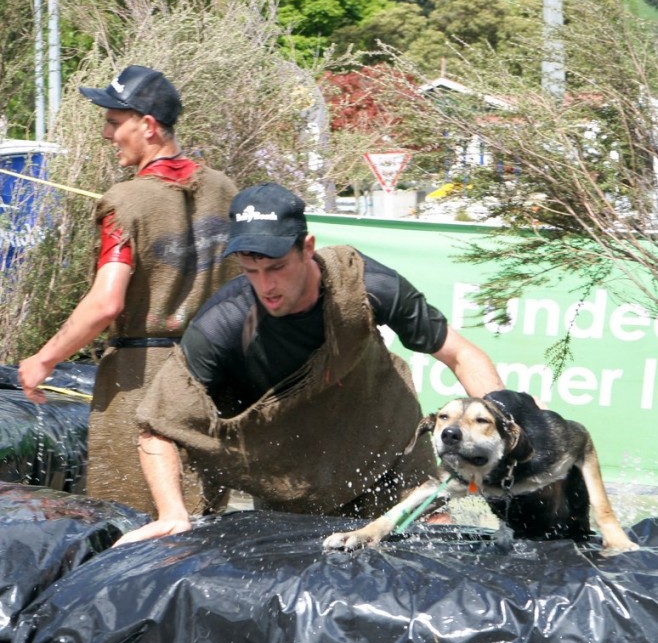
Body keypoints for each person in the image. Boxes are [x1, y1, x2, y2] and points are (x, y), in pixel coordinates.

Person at [115, 181, 505, 544]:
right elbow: (156, 424)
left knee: (445, 538)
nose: (266, 285)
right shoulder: (224, 323)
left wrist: (508, 418)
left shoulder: (366, 284)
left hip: (391, 445)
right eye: (251, 271)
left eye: (276, 267)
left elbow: (461, 354)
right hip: (297, 478)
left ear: (306, 248)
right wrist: (172, 512)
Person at [18, 64, 238, 514]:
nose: (107, 134)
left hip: (142, 384)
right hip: (213, 379)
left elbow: (106, 303)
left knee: (134, 521)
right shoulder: (226, 190)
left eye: (114, 122)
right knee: (205, 522)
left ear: (149, 126)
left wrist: (43, 360)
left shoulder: (126, 202)